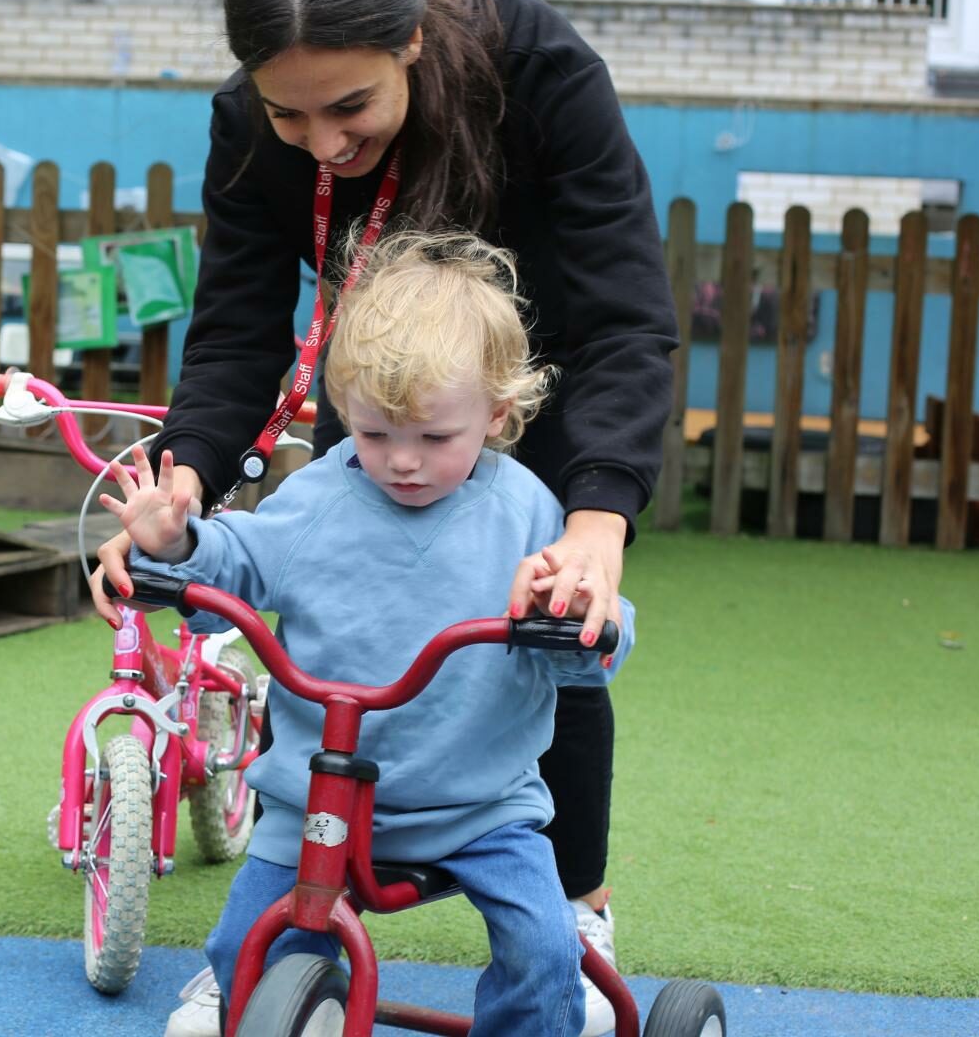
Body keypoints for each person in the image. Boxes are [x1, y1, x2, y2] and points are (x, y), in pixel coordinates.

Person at [88, 0, 676, 1033]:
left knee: (540, 629)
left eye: (349, 106)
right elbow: (237, 321)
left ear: (409, 43)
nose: (320, 141)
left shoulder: (539, 71)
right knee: (353, 602)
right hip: (385, 381)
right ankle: (277, 943)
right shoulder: (252, 122)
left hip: (509, 376)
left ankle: (572, 912)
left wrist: (595, 521)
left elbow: (625, 319)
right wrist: (184, 487)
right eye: (288, 113)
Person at [103, 231, 636, 1037]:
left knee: (543, 950)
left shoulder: (525, 511)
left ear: (496, 413)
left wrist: (574, 616)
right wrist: (174, 545)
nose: (404, 462)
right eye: (377, 433)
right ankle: (311, 1000)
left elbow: (599, 636)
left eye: (435, 438)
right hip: (315, 805)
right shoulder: (317, 499)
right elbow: (234, 568)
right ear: (344, 405)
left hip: (482, 806)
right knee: (239, 950)